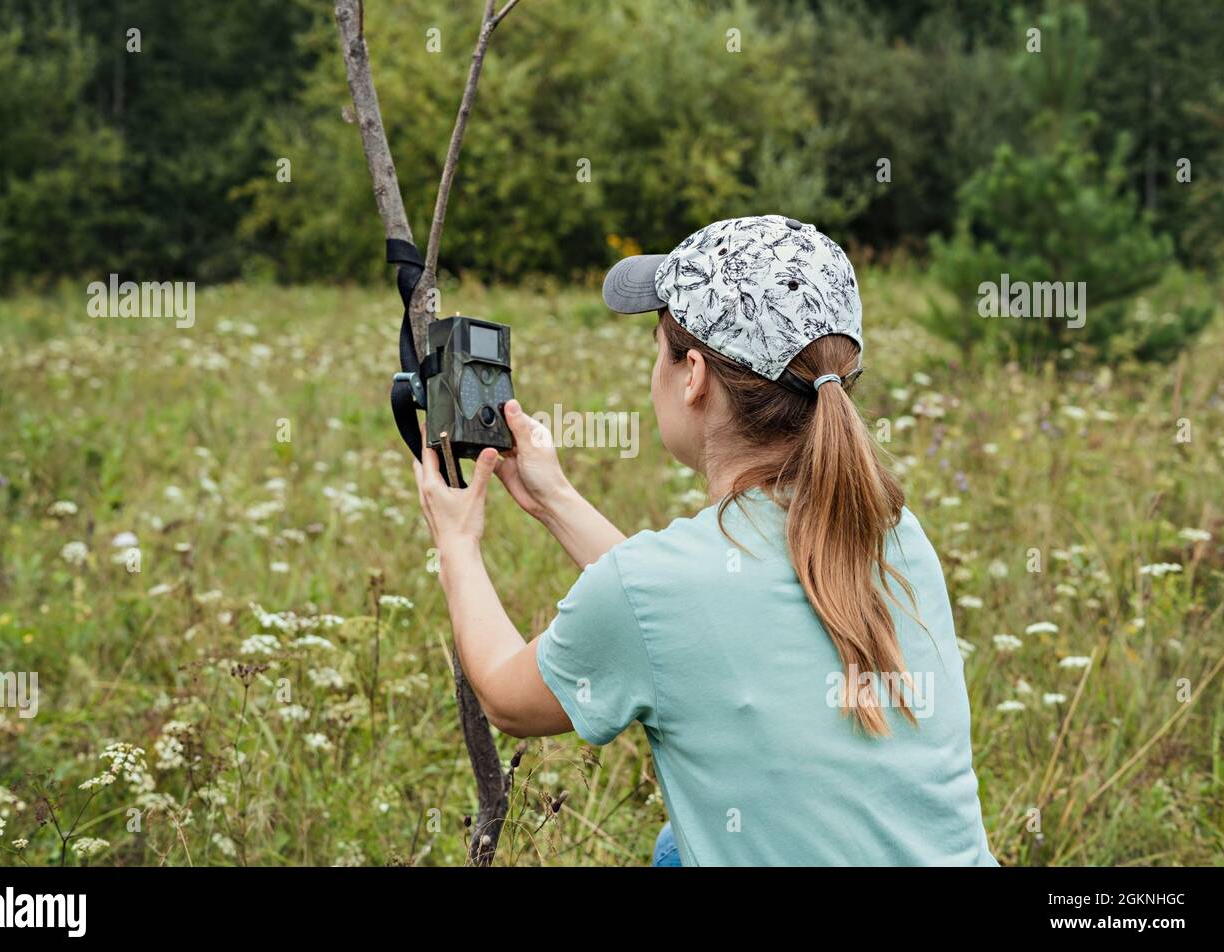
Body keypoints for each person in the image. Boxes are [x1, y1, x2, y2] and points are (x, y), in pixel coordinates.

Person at [411, 214, 997, 866]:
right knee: (676, 847)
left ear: (693, 375)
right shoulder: (894, 532)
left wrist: (457, 540)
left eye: (657, 346)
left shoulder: (661, 587)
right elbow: (693, 615)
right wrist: (554, 499)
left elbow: (503, 695)